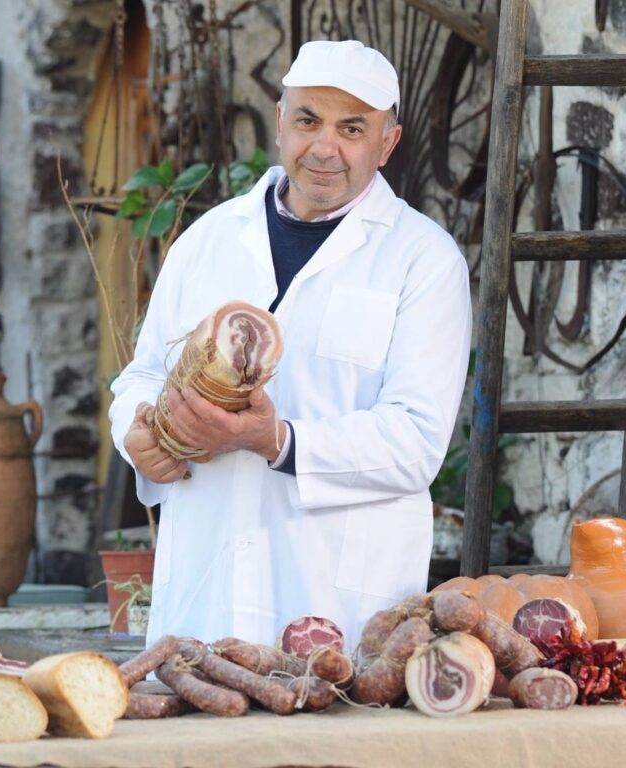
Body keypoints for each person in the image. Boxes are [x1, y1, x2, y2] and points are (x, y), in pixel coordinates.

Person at [109, 39, 472, 650]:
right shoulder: (208, 240)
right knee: (194, 706)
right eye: (308, 120)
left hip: (338, 614)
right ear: (280, 122)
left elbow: (416, 441)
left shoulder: (423, 259)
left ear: (387, 144)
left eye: (352, 128)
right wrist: (137, 434)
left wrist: (278, 441)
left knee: (330, 708)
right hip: (204, 600)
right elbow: (142, 375)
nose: (325, 147)